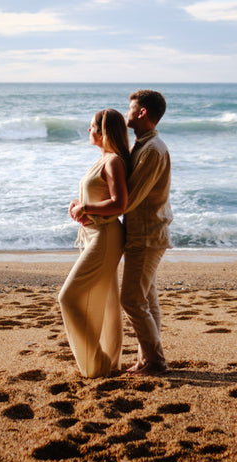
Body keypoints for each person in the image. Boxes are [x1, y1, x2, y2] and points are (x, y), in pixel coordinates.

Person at [59, 108, 131, 378]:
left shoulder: (113, 161)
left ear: (104, 131)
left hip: (106, 236)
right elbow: (100, 196)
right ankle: (106, 364)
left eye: (92, 126)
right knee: (104, 298)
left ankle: (98, 363)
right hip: (95, 234)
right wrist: (79, 205)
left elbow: (119, 203)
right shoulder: (101, 159)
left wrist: (86, 206)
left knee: (68, 297)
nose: (89, 130)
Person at [120, 89, 172, 376]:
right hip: (145, 233)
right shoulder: (143, 145)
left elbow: (131, 198)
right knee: (147, 299)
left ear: (142, 113)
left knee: (131, 299)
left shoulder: (152, 149)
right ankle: (147, 358)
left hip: (148, 235)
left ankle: (154, 361)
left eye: (130, 109)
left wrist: (90, 209)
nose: (127, 113)